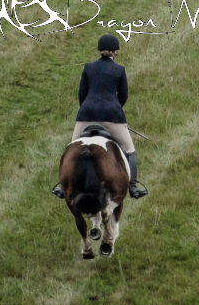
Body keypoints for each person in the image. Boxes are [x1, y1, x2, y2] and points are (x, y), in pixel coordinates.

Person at [52, 34, 148, 199]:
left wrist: (89, 109)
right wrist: (114, 109)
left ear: (99, 49)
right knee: (130, 149)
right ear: (115, 51)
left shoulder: (88, 68)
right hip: (112, 115)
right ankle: (133, 186)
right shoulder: (119, 70)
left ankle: (63, 185)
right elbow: (123, 96)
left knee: (71, 149)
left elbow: (82, 95)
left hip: (87, 114)